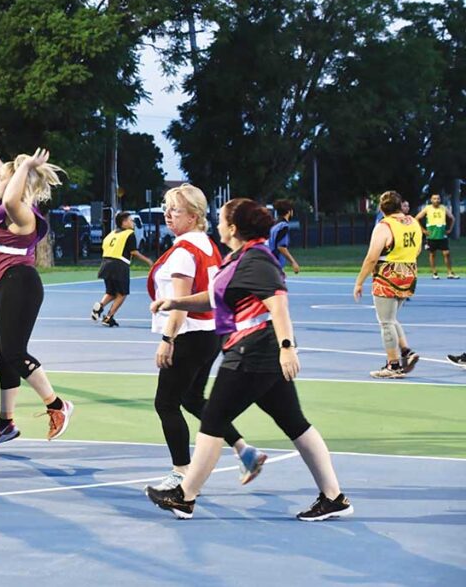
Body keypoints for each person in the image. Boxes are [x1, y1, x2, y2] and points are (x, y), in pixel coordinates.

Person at [146, 198, 353, 521]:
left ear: (232, 227)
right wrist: (174, 302)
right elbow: (214, 296)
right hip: (252, 350)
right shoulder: (238, 258)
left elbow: (278, 305)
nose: (216, 222)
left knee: (212, 418)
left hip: (254, 351)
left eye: (222, 217)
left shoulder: (257, 258)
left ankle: (185, 496)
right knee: (295, 423)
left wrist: (287, 347)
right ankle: (333, 497)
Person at [0, 113, 75, 444]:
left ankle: (58, 405)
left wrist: (24, 167)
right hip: (2, 286)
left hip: (20, 283)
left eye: (4, 178)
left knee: (14, 351)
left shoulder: (21, 211)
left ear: (18, 184)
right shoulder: (1, 198)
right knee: (3, 355)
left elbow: (11, 193)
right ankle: (6, 422)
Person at [147, 184, 265, 491]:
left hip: (189, 334)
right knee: (192, 398)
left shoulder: (185, 252)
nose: (167, 215)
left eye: (175, 210)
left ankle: (181, 472)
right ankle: (244, 450)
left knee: (166, 403)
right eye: (166, 209)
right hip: (209, 333)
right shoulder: (208, 245)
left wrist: (167, 339)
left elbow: (180, 303)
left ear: (194, 215)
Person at [355, 190, 423, 379]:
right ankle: (406, 352)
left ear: (381, 208)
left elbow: (371, 258)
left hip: (387, 275)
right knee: (391, 318)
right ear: (401, 205)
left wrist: (359, 282)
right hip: (408, 273)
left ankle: (393, 365)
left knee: (385, 322)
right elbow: (417, 250)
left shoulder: (384, 226)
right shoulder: (414, 223)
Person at [91, 212, 152, 327]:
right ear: (124, 222)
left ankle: (100, 306)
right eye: (130, 220)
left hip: (105, 264)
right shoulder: (129, 234)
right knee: (122, 293)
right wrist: (148, 261)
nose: (132, 222)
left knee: (111, 292)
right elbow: (134, 252)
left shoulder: (111, 234)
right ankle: (109, 317)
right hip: (119, 265)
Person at [415, 194, 458, 279]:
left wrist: (449, 229)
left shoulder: (443, 208)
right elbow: (416, 218)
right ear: (431, 200)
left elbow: (452, 218)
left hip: (442, 234)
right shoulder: (427, 208)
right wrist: (423, 230)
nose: (436, 200)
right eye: (434, 198)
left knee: (446, 253)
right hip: (432, 235)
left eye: (438, 198)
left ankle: (450, 272)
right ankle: (434, 273)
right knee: (432, 254)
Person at [268, 199, 300, 274]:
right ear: (289, 212)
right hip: (275, 262)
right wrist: (293, 262)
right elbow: (281, 247)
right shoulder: (283, 226)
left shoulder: (274, 224)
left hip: (269, 261)